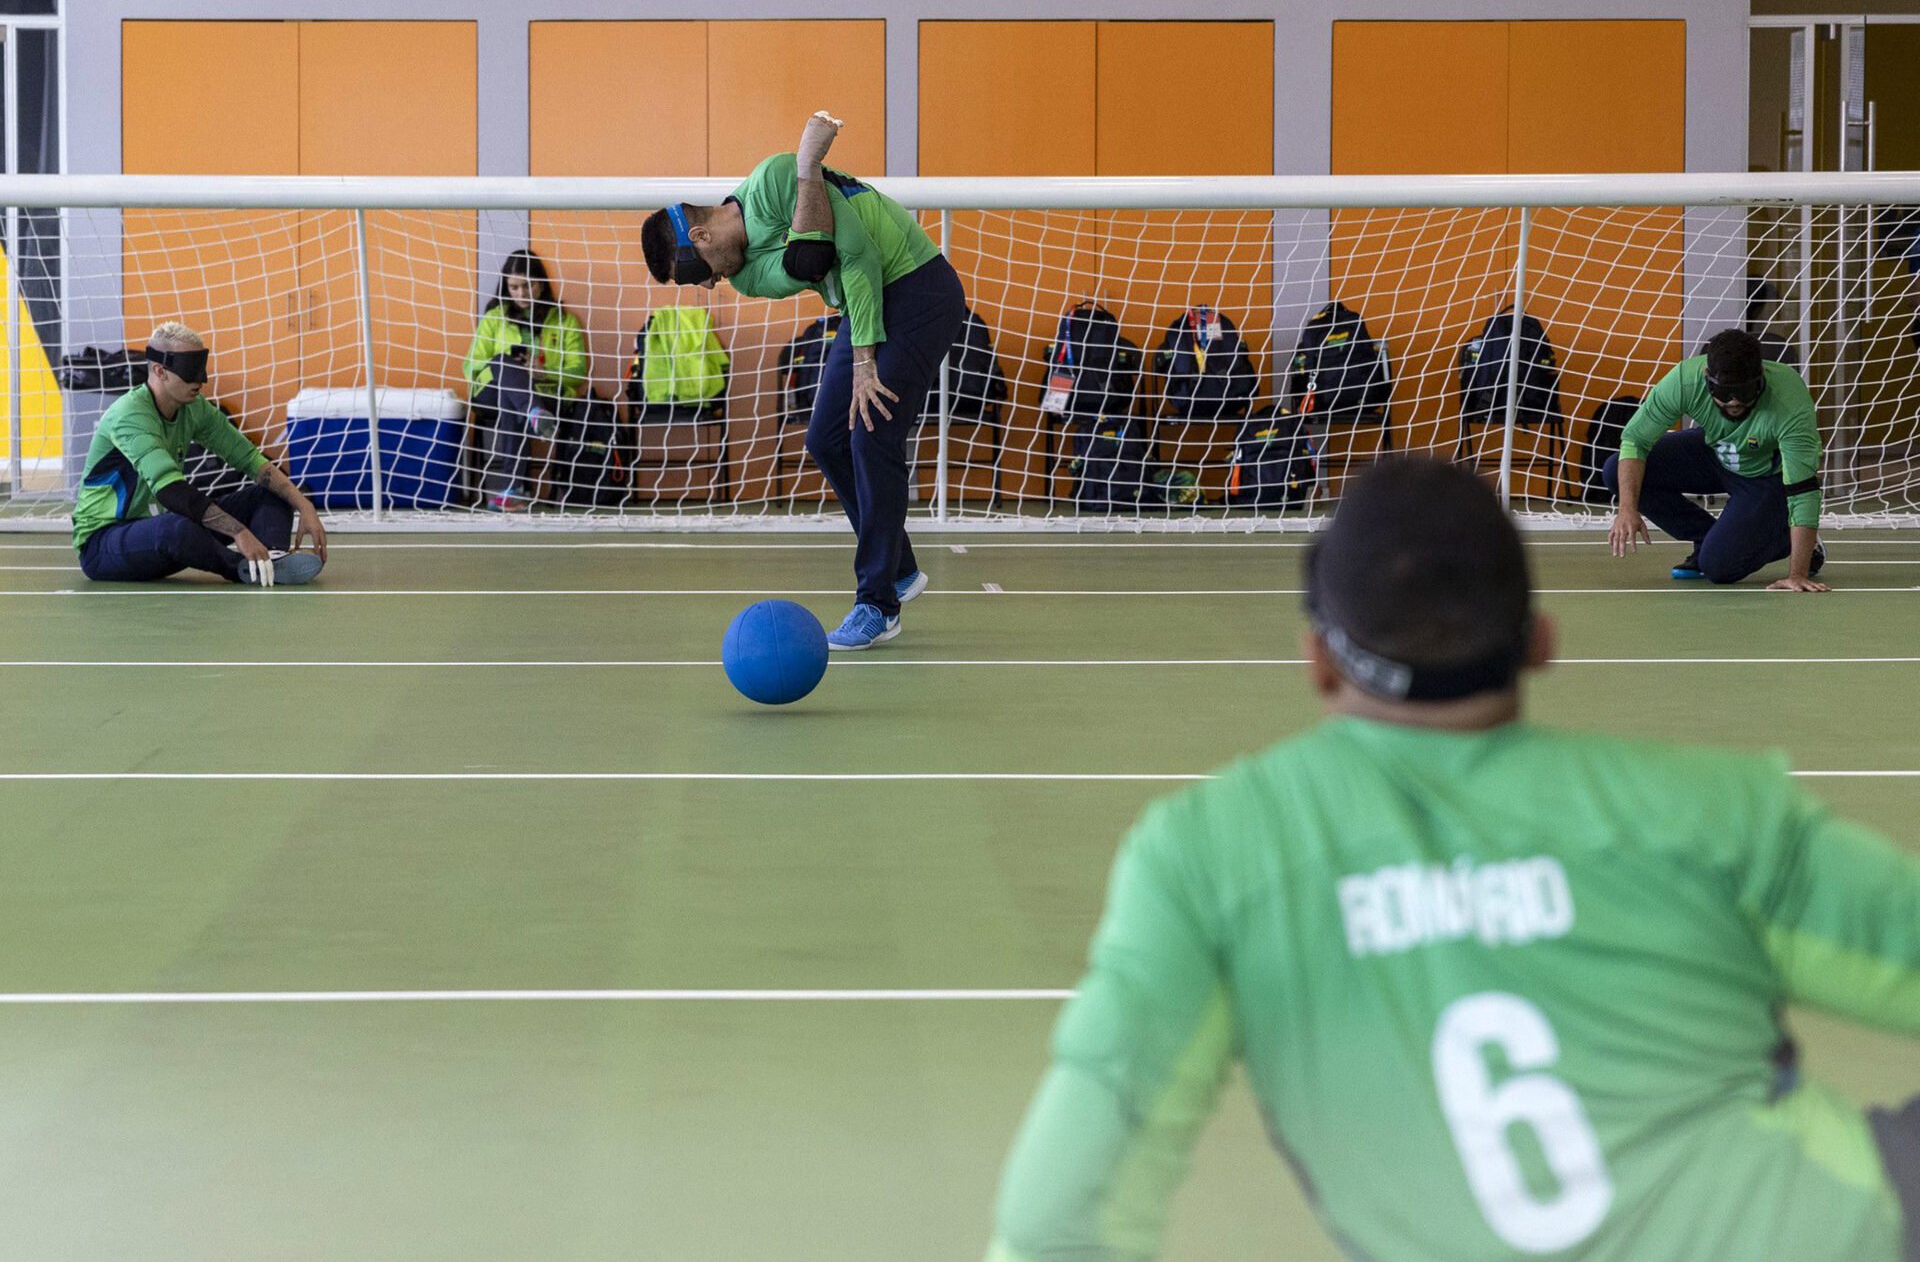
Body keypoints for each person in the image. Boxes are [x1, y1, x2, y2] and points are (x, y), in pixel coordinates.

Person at [986, 457, 1920, 1262]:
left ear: (1317, 658)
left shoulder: (1204, 854)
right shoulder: (1718, 811)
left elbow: (1059, 1217)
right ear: (1541, 645)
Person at [641, 112, 967, 650]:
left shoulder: (771, 179)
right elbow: (812, 259)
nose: (715, 283)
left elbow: (858, 255)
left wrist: (865, 364)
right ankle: (900, 567)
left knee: (871, 433)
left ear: (700, 236)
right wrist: (810, 167)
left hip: (917, 289)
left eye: (702, 274)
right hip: (863, 309)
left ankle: (878, 604)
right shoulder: (746, 275)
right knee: (825, 440)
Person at [72, 322, 327, 587]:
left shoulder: (194, 408)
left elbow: (250, 460)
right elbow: (170, 490)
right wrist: (239, 532)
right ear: (160, 371)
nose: (200, 379)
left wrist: (303, 503)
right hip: (102, 544)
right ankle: (242, 568)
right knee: (175, 527)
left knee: (271, 492)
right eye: (189, 370)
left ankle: (272, 560)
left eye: (201, 367)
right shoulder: (129, 415)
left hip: (154, 532)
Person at [1605, 328, 1827, 591]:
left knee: (1719, 568)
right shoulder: (1684, 381)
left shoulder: (1789, 399)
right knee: (1614, 470)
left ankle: (1799, 543)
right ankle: (1705, 537)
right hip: (1717, 452)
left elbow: (1803, 489)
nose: (1734, 401)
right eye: (1725, 392)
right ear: (1707, 378)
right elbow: (1635, 441)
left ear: (1761, 376)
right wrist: (1627, 508)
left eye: (1744, 392)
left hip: (1766, 478)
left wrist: (1798, 573)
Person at [461, 247, 589, 512]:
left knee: (514, 402)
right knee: (503, 364)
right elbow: (470, 365)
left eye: (528, 286)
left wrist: (545, 372)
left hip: (546, 396)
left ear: (541, 283)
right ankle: (532, 411)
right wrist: (508, 368)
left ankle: (514, 490)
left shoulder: (565, 320)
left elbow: (579, 372)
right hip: (490, 392)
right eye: (514, 287)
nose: (521, 294)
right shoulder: (495, 318)